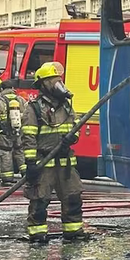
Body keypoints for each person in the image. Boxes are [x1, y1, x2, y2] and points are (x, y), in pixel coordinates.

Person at [21, 62, 85, 242]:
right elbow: (28, 137)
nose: (58, 83)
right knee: (39, 201)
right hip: (43, 164)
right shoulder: (33, 108)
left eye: (59, 79)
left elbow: (76, 126)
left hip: (65, 163)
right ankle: (37, 234)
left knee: (73, 197)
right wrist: (31, 164)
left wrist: (71, 138)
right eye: (53, 80)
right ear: (43, 83)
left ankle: (73, 231)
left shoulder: (66, 106)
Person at [0, 79, 28, 185]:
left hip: (3, 132)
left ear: (2, 89)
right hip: (18, 131)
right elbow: (27, 114)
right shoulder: (20, 99)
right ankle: (26, 173)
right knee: (20, 151)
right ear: (12, 89)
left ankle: (7, 179)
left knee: (5, 152)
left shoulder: (0, 100)